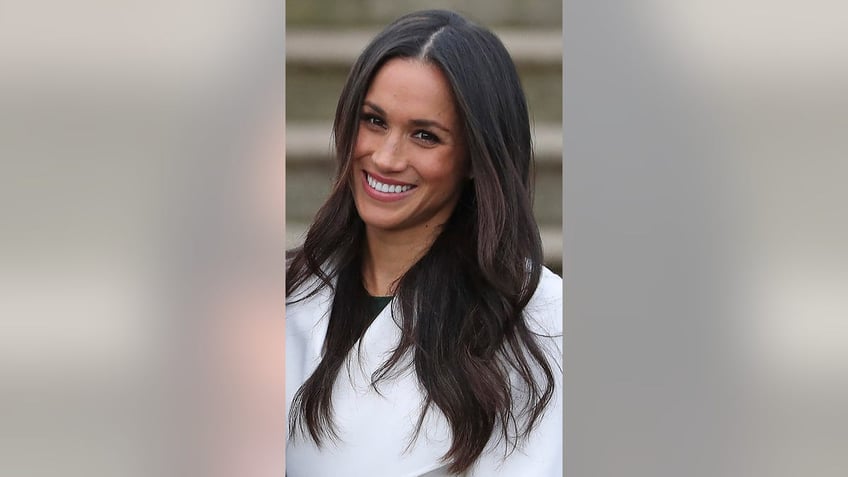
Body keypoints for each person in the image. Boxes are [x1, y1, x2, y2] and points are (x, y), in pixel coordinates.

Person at [285, 9, 562, 476]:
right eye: (373, 121)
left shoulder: (546, 323)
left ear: (476, 157)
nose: (387, 157)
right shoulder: (286, 296)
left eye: (425, 136)